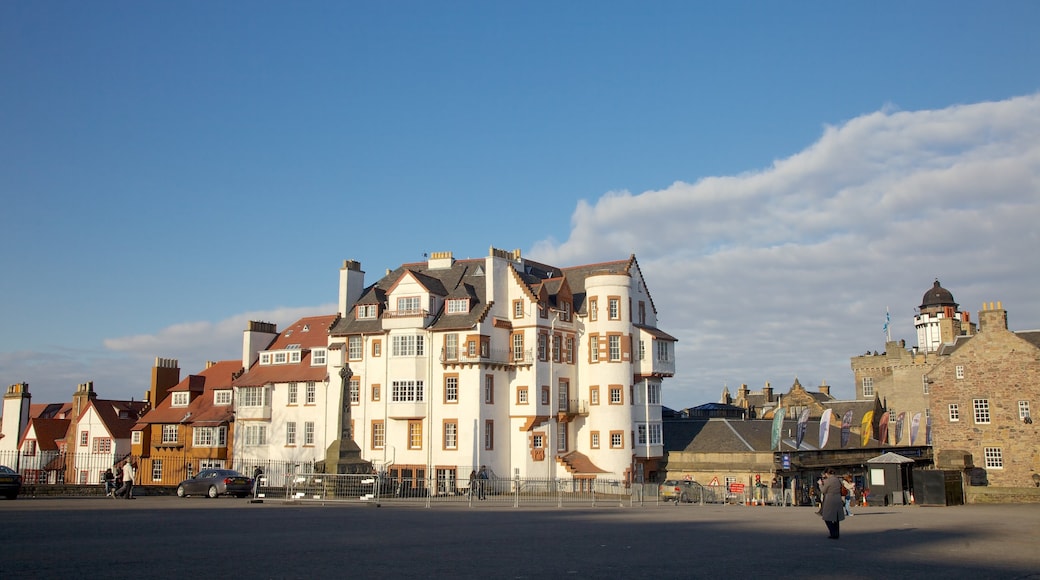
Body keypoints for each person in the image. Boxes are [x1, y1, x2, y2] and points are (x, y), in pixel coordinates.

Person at [819, 468, 845, 539]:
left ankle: (833, 533)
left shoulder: (828, 481)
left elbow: (823, 491)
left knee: (827, 517)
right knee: (836, 518)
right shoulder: (837, 480)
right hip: (838, 498)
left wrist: (820, 484)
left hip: (830, 499)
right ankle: (836, 533)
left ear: (827, 473)